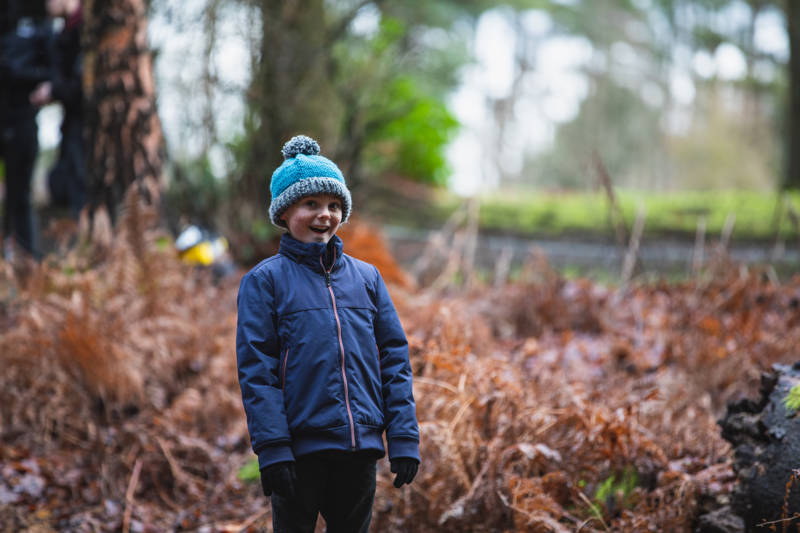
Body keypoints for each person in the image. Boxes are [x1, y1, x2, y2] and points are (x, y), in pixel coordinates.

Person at [236, 135, 420, 533]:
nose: (325, 215)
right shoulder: (264, 282)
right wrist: (272, 449)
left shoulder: (367, 278)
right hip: (298, 454)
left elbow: (394, 358)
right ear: (284, 212)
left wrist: (403, 436)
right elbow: (257, 372)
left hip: (359, 451)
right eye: (311, 204)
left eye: (334, 205)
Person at [0, 11, 51, 259]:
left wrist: (16, 71)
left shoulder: (38, 30)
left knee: (20, 197)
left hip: (22, 124)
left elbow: (53, 71)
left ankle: (26, 262)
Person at [30, 0, 85, 218]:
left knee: (77, 187)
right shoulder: (63, 32)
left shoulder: (85, 29)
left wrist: (54, 90)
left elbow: (83, 86)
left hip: (85, 130)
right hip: (70, 126)